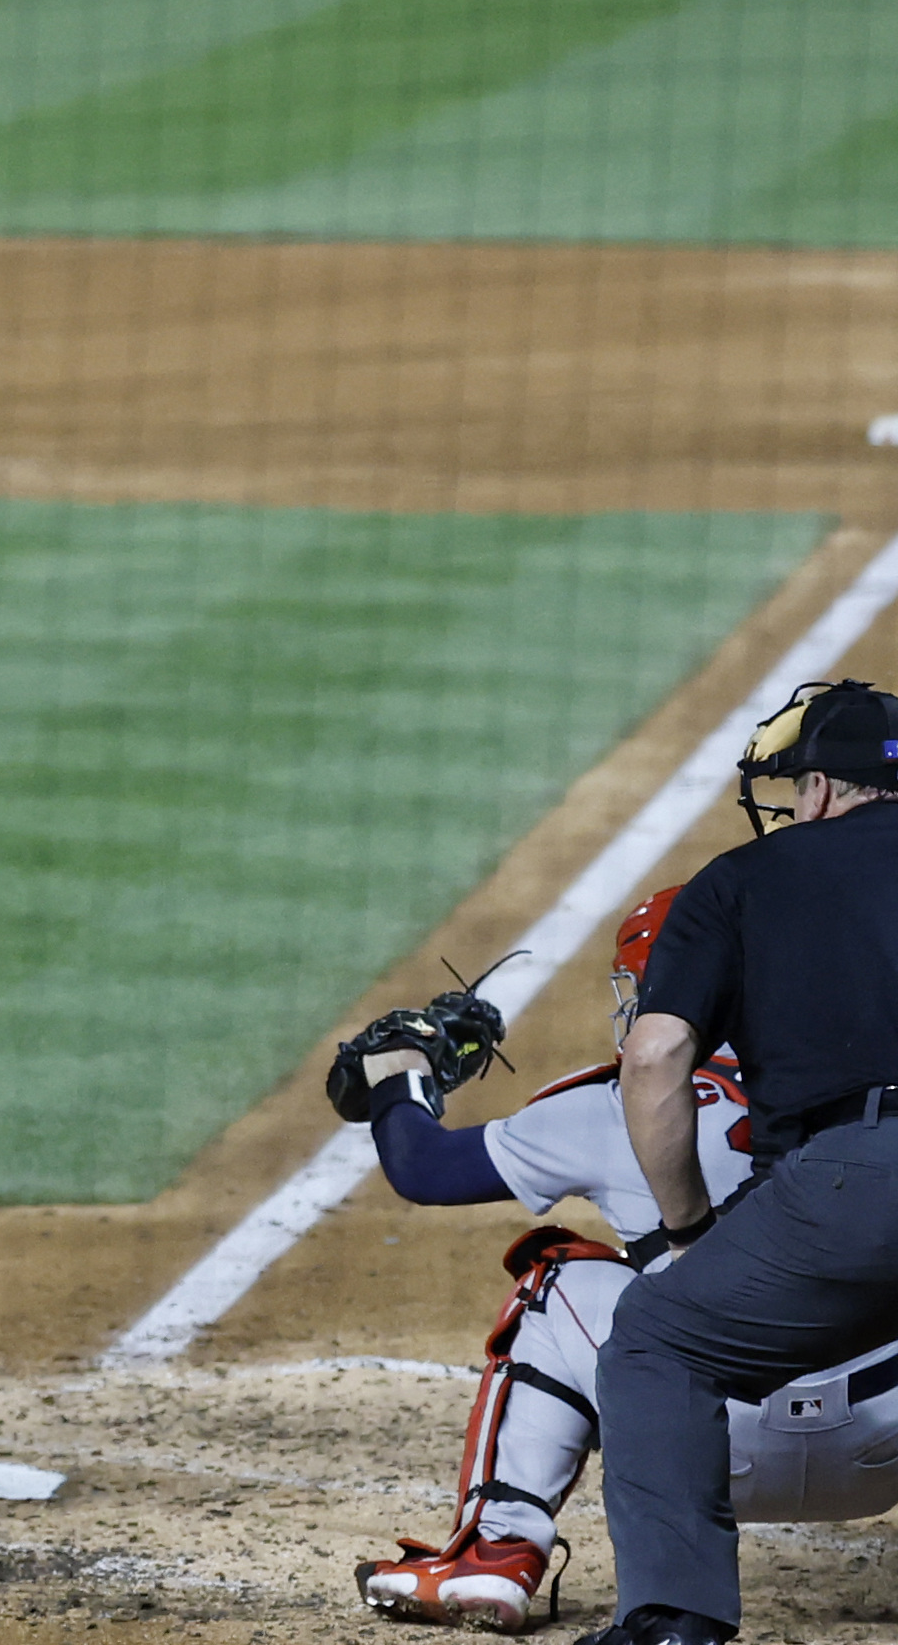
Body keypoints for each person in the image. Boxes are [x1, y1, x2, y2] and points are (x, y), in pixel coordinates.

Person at [337, 887, 898, 1634]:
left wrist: (402, 1075)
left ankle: (495, 1556)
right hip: (877, 1443)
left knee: (557, 1278)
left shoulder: (615, 1101)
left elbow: (424, 1169)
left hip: (702, 1442)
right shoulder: (874, 1096)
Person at [582, 678, 898, 1645]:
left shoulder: (743, 878)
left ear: (815, 790)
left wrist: (688, 1233)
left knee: (656, 1342)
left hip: (852, 1187)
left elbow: (656, 1056)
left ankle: (677, 1620)